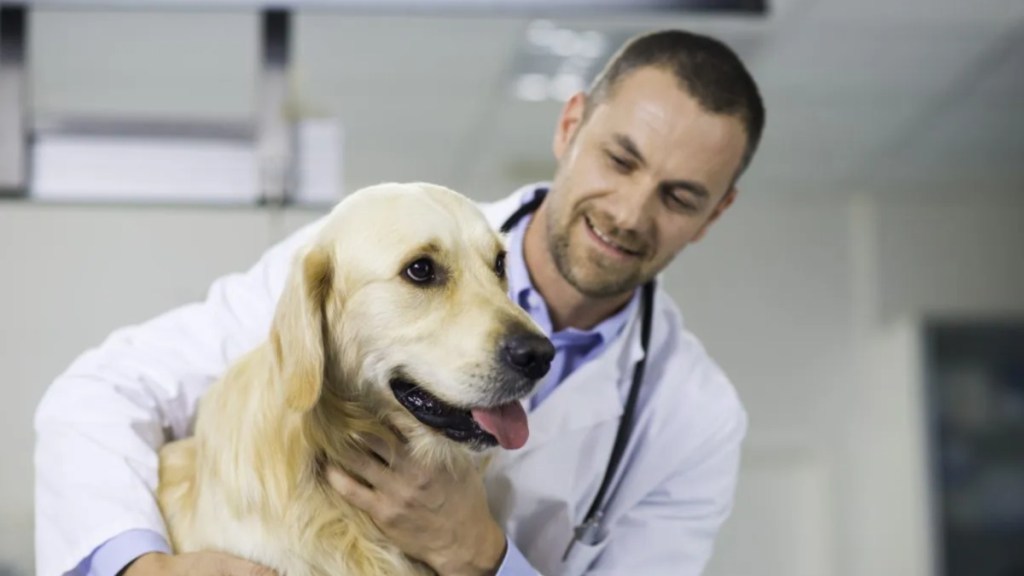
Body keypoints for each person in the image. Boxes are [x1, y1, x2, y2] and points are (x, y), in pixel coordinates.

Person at [34, 28, 764, 576]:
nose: (631, 212)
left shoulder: (696, 420)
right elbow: (102, 393)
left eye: (679, 196)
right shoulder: (362, 247)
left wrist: (481, 553)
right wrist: (138, 567)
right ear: (570, 125)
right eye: (621, 158)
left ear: (718, 211)